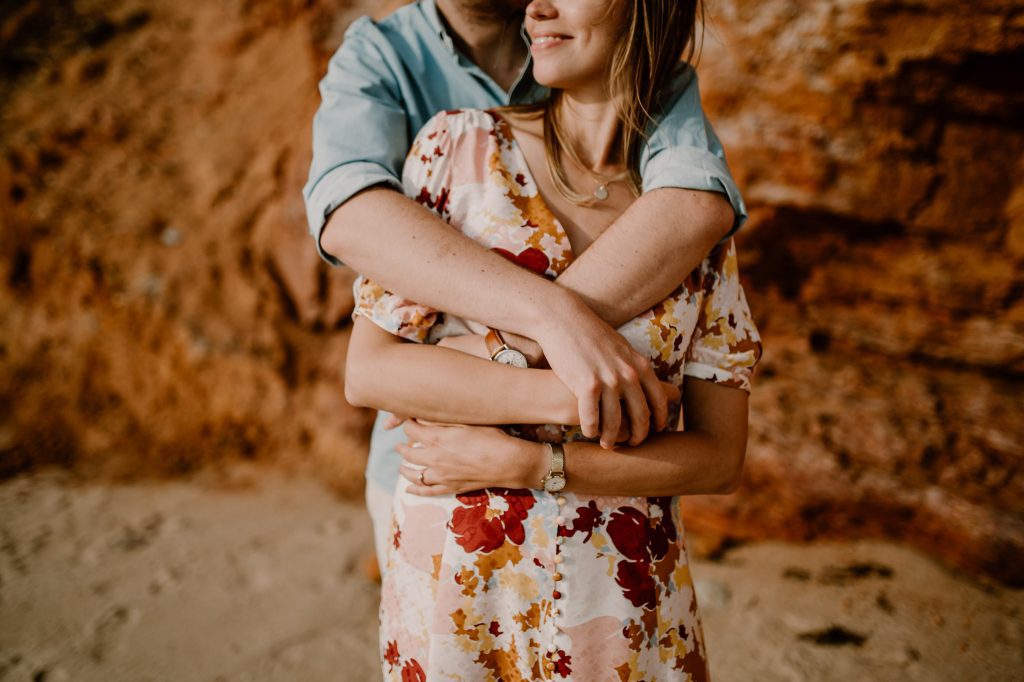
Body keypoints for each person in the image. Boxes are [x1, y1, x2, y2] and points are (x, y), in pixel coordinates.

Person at [344, 0, 763, 677]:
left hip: (625, 608)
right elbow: (368, 373)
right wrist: (572, 396)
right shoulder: (459, 149)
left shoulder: (689, 215)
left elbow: (719, 457)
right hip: (460, 599)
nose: (536, 4)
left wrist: (531, 467)